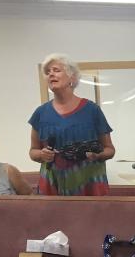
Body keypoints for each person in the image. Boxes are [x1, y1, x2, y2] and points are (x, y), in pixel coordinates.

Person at [28, 54, 114, 195]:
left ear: (72, 78)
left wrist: (97, 155)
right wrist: (42, 154)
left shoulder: (92, 110)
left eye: (56, 70)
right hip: (52, 186)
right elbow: (33, 151)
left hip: (88, 186)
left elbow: (109, 149)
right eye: (48, 72)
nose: (51, 74)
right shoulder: (40, 113)